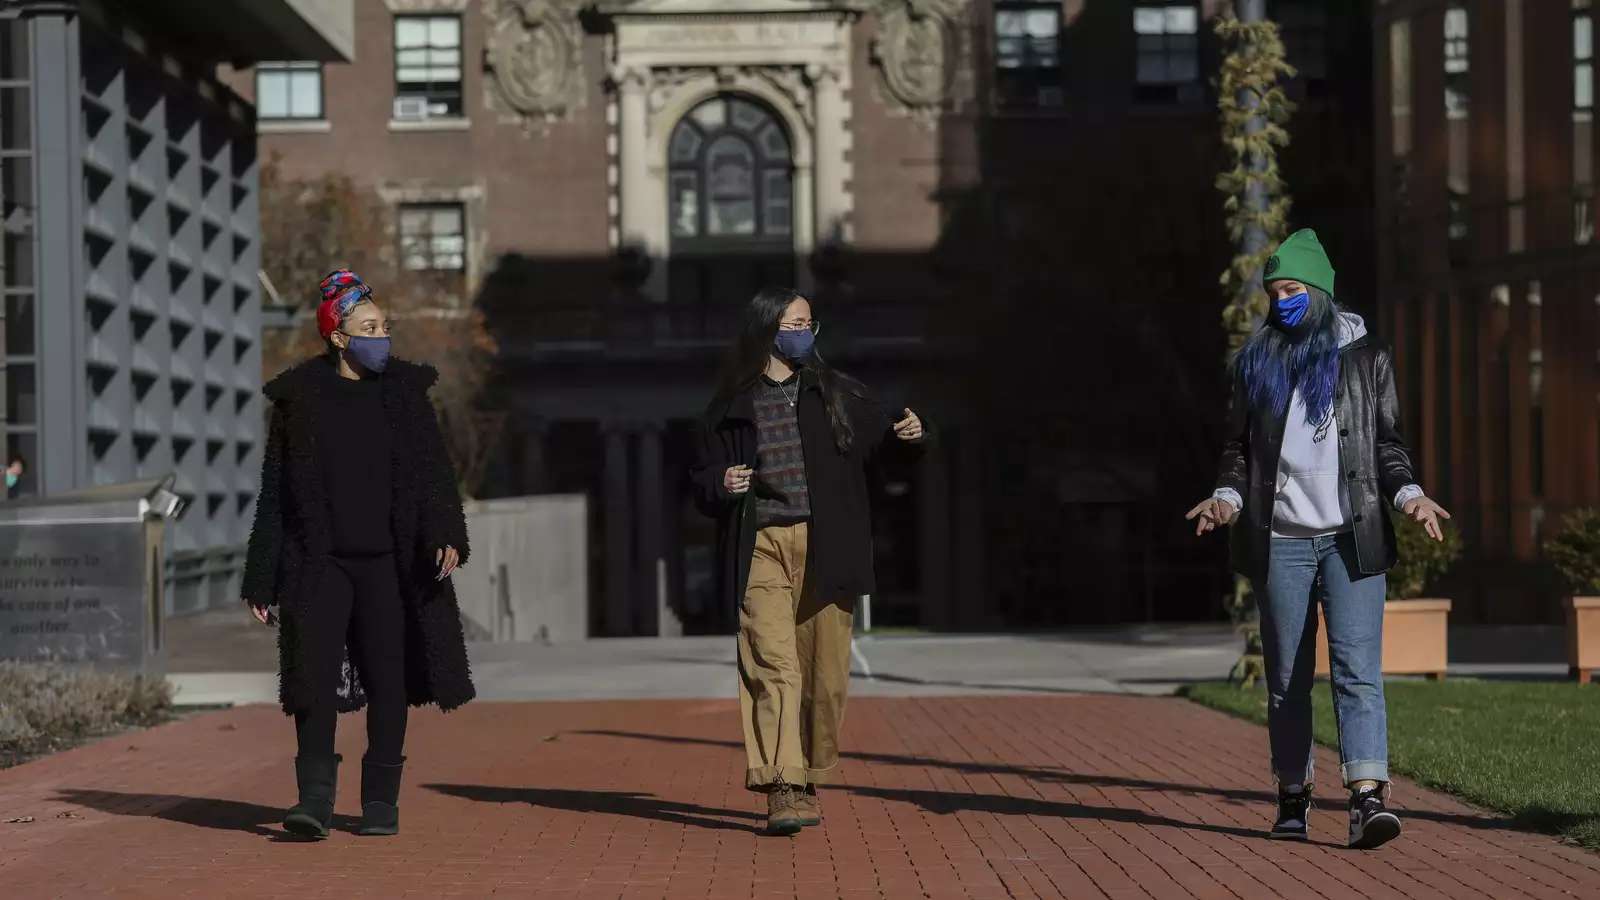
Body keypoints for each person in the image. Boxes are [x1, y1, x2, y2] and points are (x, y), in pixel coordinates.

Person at [1186, 230, 1451, 850]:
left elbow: (1387, 444)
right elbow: (1239, 450)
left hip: (1349, 538)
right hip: (1280, 542)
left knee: (1358, 672)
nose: (1283, 301)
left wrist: (1409, 495)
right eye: (1275, 291)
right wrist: (1226, 499)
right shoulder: (1257, 361)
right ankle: (1292, 796)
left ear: (1322, 291)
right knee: (1287, 678)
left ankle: (1366, 799)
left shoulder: (1367, 357)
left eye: (1294, 290)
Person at [241, 268, 475, 839]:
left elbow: (434, 477)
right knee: (311, 681)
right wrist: (262, 575)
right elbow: (276, 493)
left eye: (384, 325)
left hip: (390, 565)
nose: (382, 336)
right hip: (320, 563)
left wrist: (446, 534)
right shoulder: (298, 400)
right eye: (368, 326)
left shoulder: (406, 395)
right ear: (339, 336)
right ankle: (314, 801)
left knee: (388, 680)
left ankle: (380, 802)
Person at [691, 286, 928, 836]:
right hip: (762, 546)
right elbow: (700, 481)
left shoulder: (838, 393)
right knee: (773, 666)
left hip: (828, 546)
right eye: (795, 323)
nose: (804, 333)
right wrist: (721, 483)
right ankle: (784, 786)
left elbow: (893, 440)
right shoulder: (729, 406)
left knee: (824, 678)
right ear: (767, 330)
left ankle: (809, 770)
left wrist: (916, 433)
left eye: (809, 324)